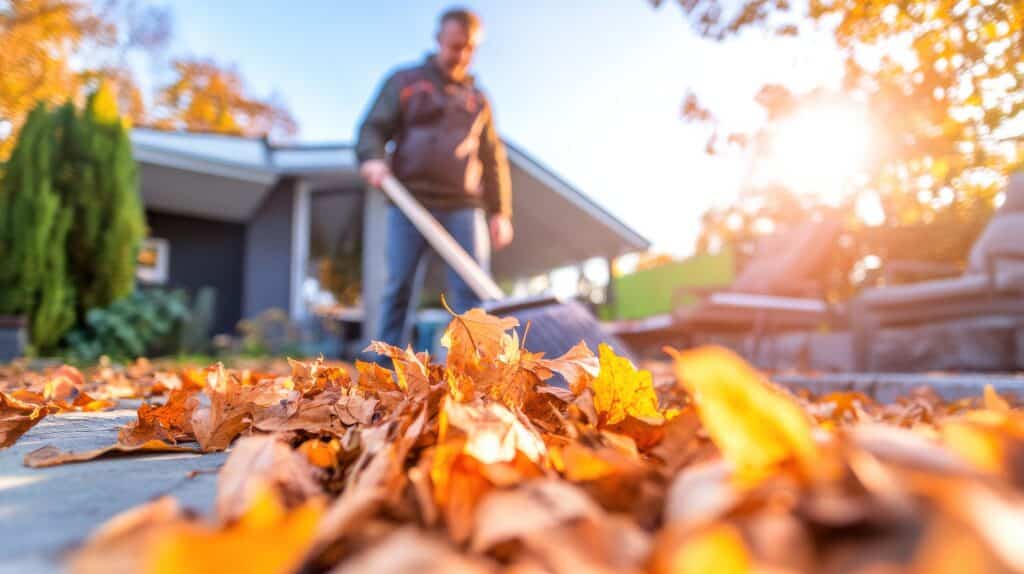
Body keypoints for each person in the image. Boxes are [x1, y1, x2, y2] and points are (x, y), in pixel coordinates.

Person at [356, 7, 513, 348]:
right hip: (409, 201)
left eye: (470, 48)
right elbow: (372, 127)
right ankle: (385, 368)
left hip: (463, 206)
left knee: (472, 294)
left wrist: (500, 211)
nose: (463, 56)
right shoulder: (406, 82)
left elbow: (492, 158)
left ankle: (475, 370)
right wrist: (372, 158)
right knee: (399, 286)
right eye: (456, 46)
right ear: (439, 40)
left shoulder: (478, 100)